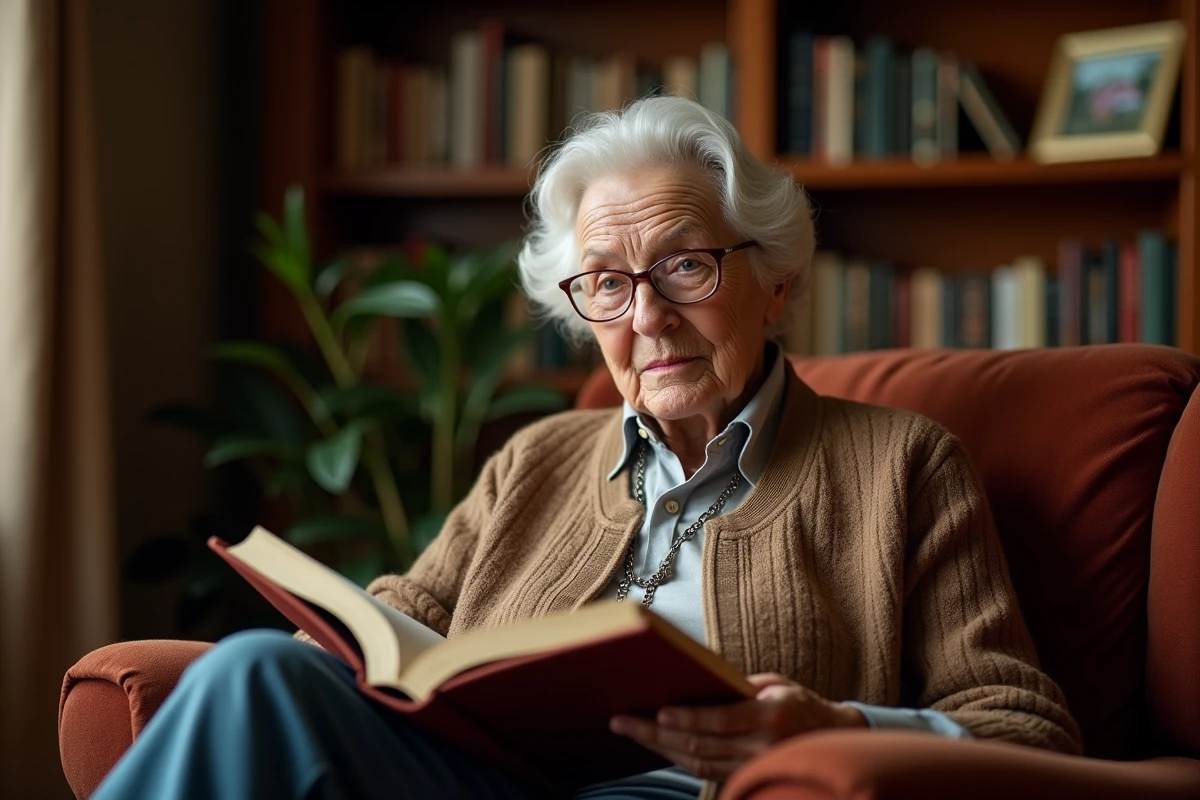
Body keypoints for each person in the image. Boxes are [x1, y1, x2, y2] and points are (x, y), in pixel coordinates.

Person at [93, 96, 1081, 800]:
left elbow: (1026, 725)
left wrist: (835, 725)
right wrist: (338, 633)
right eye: (606, 282)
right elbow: (403, 625)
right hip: (473, 781)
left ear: (774, 282)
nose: (647, 315)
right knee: (257, 671)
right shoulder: (537, 458)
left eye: (685, 266)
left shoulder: (904, 464)